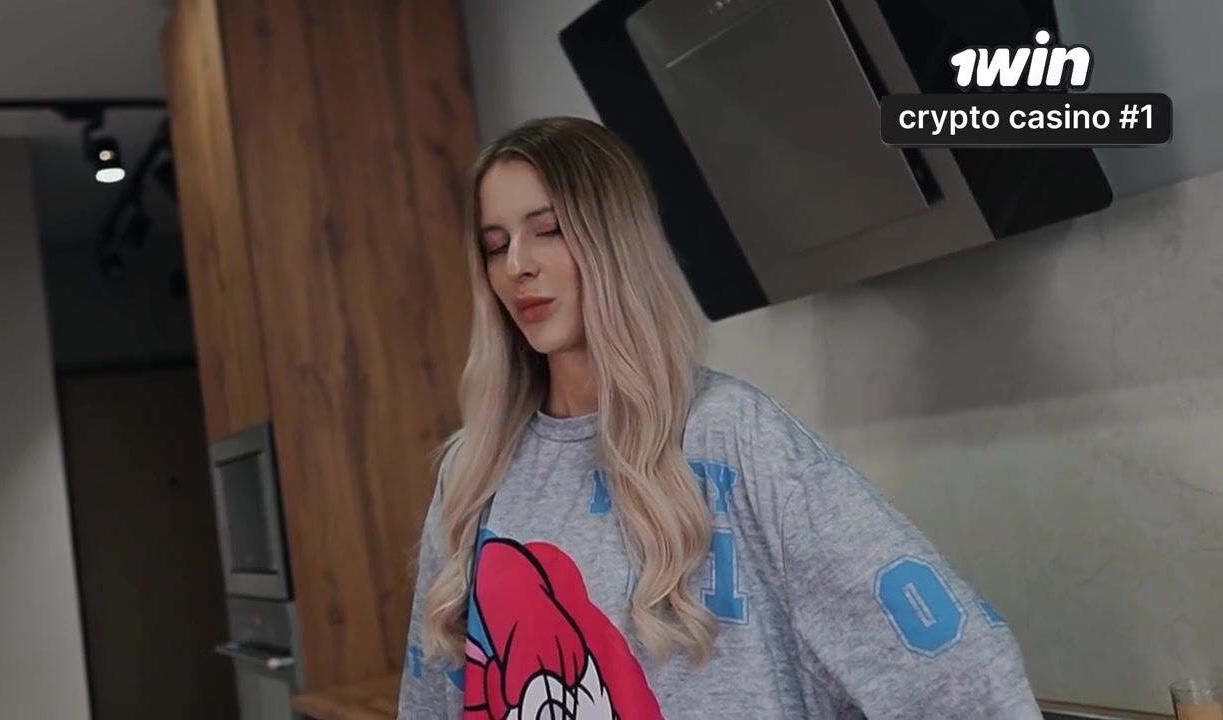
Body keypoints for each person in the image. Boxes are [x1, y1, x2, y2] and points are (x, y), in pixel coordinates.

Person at [397, 116, 1043, 719]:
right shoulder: (472, 472)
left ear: (614, 242)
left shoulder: (730, 435)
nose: (518, 266)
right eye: (495, 245)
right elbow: (431, 699)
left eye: (550, 230)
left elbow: (961, 672)